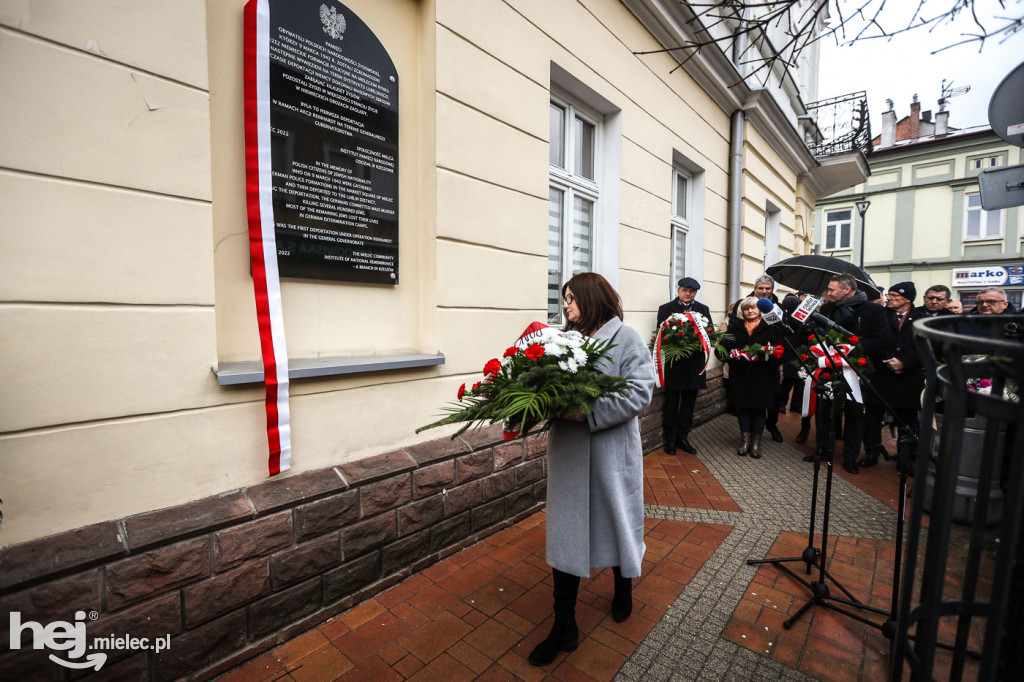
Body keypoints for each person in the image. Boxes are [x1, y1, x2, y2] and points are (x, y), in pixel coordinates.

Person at [530, 272, 656, 667]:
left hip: (608, 452)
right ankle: (563, 625)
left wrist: (588, 411)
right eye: (563, 298)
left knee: (616, 522)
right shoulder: (564, 340)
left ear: (592, 297)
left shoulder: (627, 338)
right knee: (566, 533)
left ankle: (623, 585)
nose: (565, 305)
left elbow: (641, 389)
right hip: (569, 454)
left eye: (571, 298)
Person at [808, 273, 894, 474]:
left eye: (832, 289)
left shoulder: (873, 310)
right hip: (829, 368)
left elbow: (882, 340)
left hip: (858, 370)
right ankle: (823, 449)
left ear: (847, 290)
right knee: (825, 412)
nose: (828, 292)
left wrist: (852, 348)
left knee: (855, 415)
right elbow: (816, 336)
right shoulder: (827, 310)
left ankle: (850, 457)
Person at [861, 282, 925, 468]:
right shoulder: (880, 316)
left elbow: (924, 347)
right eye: (889, 294)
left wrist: (904, 362)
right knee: (872, 418)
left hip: (907, 378)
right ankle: (872, 453)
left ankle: (906, 458)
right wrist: (889, 360)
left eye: (894, 296)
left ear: (907, 299)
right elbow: (874, 339)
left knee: (907, 421)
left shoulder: (920, 319)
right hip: (881, 375)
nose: (889, 298)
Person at [719, 297, 784, 458]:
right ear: (743, 311)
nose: (750, 311)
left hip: (763, 377)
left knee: (759, 410)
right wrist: (730, 355)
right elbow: (722, 350)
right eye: (747, 308)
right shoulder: (735, 327)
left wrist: (765, 356)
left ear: (760, 309)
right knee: (744, 409)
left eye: (753, 308)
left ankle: (756, 443)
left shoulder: (771, 327)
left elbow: (781, 352)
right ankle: (745, 441)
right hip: (741, 376)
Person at [656, 277, 712, 454]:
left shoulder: (703, 310)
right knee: (672, 402)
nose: (688, 294)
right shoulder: (666, 309)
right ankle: (670, 439)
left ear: (695, 293)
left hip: (695, 364)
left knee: (689, 403)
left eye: (692, 291)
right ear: (678, 290)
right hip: (674, 364)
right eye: (685, 290)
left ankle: (683, 437)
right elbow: (661, 333)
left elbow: (710, 333)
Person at [727, 275, 784, 441]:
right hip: (742, 368)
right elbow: (732, 330)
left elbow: (781, 336)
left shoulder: (777, 308)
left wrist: (772, 353)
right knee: (745, 405)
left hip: (767, 367)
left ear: (772, 290)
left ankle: (771, 426)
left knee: (769, 401)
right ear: (755, 288)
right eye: (761, 288)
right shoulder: (742, 304)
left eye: (767, 289)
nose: (764, 292)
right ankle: (746, 438)